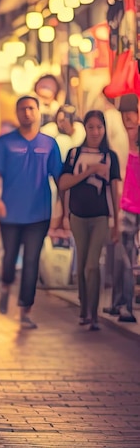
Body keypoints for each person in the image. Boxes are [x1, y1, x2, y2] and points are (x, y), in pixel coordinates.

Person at [0, 96, 63, 329]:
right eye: (22, 109)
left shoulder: (50, 144)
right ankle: (5, 284)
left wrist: (63, 210)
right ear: (17, 113)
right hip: (10, 212)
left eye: (31, 108)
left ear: (38, 112)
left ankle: (24, 311)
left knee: (31, 261)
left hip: (39, 214)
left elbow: (60, 179)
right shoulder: (4, 143)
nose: (27, 112)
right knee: (9, 257)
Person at [58, 110, 121, 330]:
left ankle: (93, 315)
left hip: (101, 217)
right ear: (85, 128)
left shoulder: (110, 157)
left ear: (104, 130)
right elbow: (63, 184)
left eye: (99, 127)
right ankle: (84, 309)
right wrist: (91, 171)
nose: (95, 131)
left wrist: (117, 224)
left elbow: (115, 190)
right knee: (82, 263)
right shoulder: (74, 154)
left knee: (92, 266)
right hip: (78, 217)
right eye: (91, 126)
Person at [106, 103, 140, 323]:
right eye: (124, 115)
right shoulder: (117, 140)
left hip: (134, 206)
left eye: (131, 114)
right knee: (123, 257)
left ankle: (122, 304)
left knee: (127, 258)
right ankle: (121, 305)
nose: (128, 119)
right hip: (125, 206)